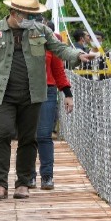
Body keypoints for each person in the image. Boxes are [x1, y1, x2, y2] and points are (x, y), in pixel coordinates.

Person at [0, 0, 94, 200]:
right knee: (2, 134)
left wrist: (78, 55)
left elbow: (60, 49)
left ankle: (23, 183)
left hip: (33, 94)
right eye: (26, 15)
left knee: (29, 138)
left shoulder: (42, 32)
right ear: (13, 12)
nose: (30, 19)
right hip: (0, 95)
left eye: (33, 15)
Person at [35, 20, 74, 190]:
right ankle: (27, 176)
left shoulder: (54, 40)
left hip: (47, 91)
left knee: (44, 134)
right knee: (27, 136)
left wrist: (68, 94)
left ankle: (46, 176)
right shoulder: (18, 36)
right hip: (23, 91)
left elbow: (58, 69)